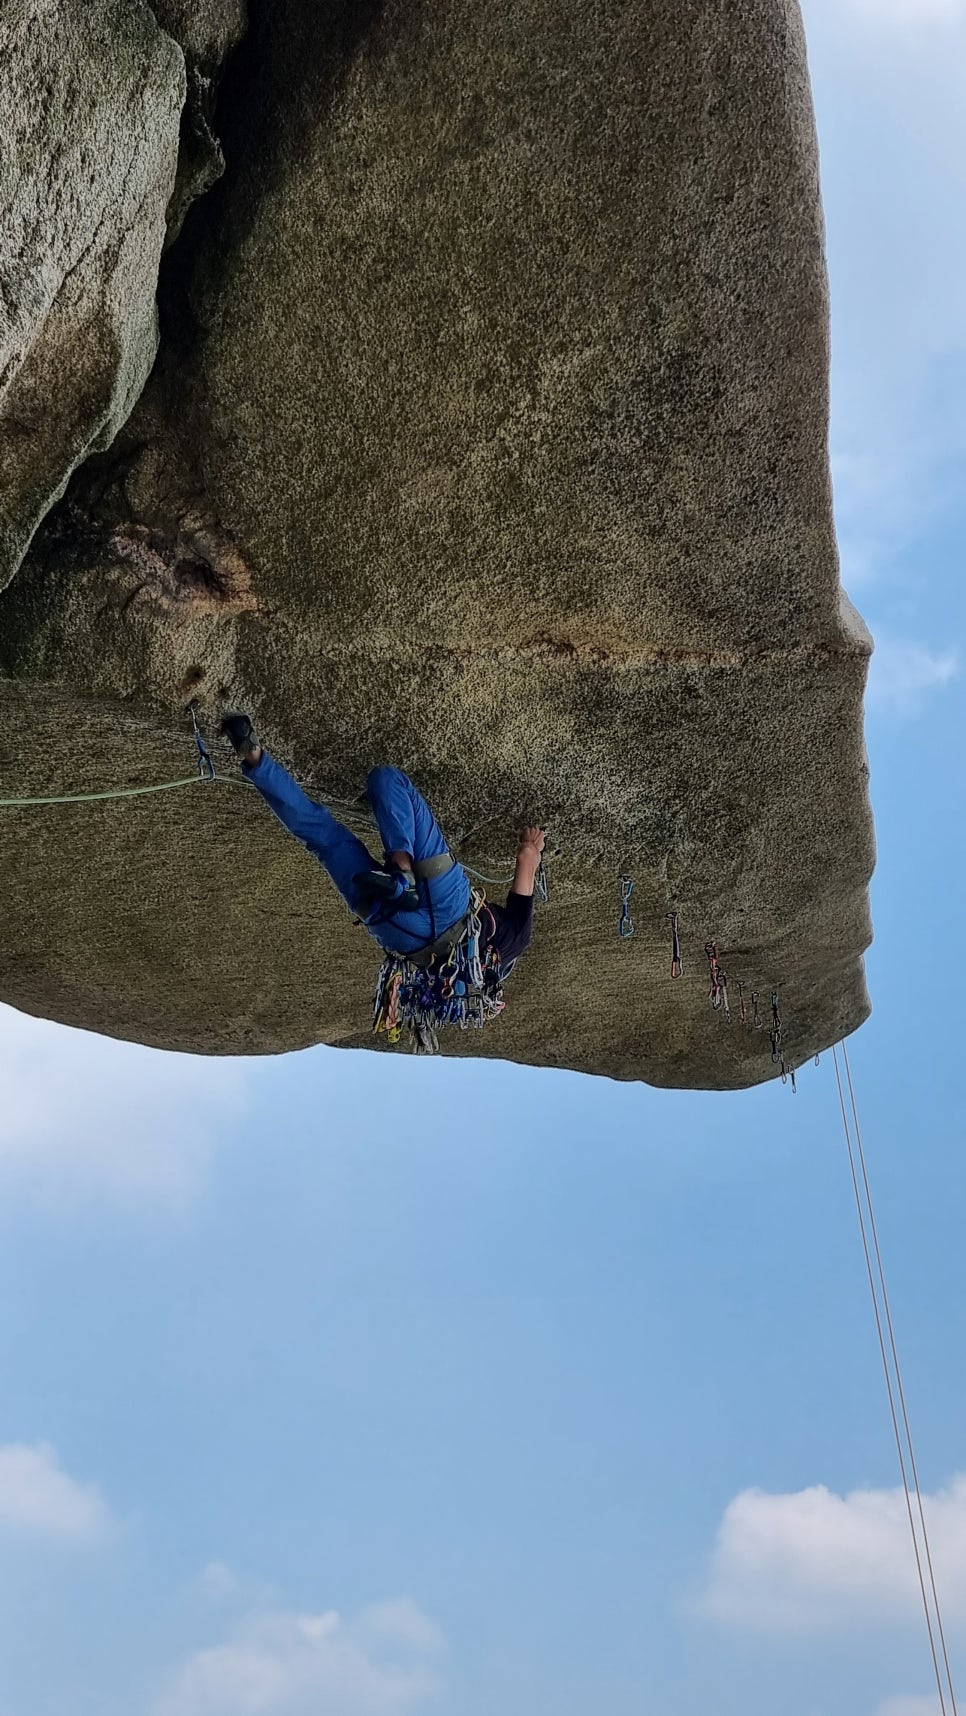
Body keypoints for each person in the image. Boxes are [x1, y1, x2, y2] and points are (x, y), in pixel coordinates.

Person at [220, 713, 545, 1050]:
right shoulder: (445, 975)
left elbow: (526, 859)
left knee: (387, 780)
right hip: (398, 932)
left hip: (447, 905)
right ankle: (254, 756)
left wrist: (533, 844)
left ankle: (401, 866)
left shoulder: (517, 939)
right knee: (322, 838)